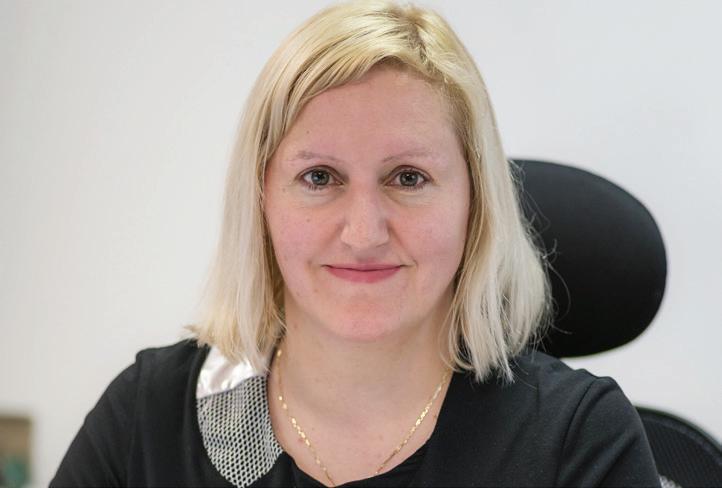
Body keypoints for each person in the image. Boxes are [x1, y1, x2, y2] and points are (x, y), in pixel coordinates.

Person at [52, 1, 661, 487]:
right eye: (319, 178)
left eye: (408, 178)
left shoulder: (578, 440)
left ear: (475, 203)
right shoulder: (149, 416)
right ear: (260, 200)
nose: (364, 233)